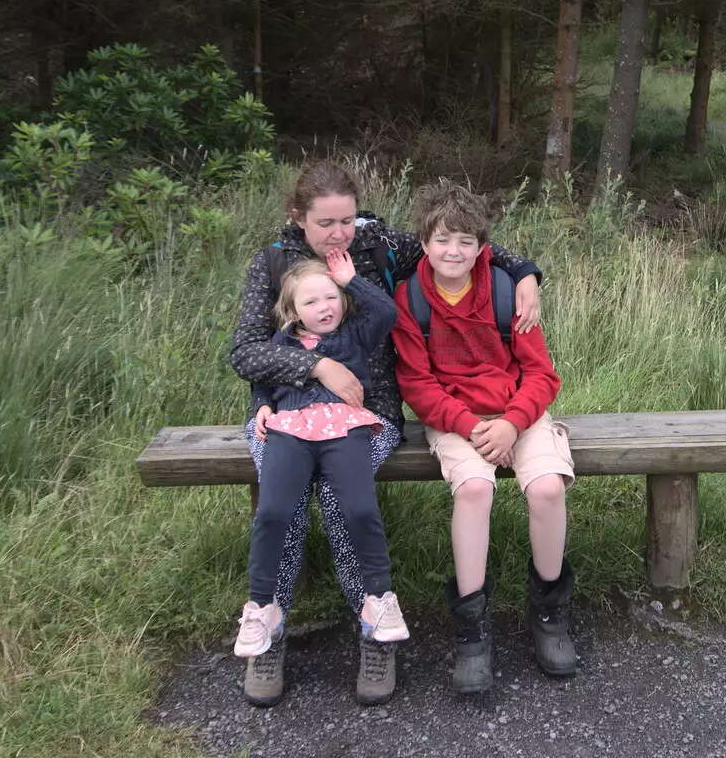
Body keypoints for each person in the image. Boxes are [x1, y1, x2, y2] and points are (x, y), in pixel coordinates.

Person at [228, 159, 542, 707]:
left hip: (370, 412)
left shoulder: (377, 244)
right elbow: (246, 351)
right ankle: (267, 633)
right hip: (285, 411)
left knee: (338, 492)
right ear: (298, 218)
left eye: (346, 220)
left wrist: (528, 274)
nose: (339, 234)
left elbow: (464, 244)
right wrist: (315, 368)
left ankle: (376, 630)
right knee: (286, 500)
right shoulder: (273, 264)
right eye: (326, 224)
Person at [390, 182, 577, 694]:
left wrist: (514, 422)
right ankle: (471, 630)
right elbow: (416, 384)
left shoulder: (504, 290)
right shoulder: (409, 300)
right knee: (474, 490)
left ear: (481, 246)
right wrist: (472, 426)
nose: (455, 252)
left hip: (518, 411)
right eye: (444, 240)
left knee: (546, 488)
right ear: (424, 243)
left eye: (466, 242)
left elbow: (542, 374)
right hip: (455, 419)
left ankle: (549, 614)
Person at [236, 250, 409, 701]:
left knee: (355, 507)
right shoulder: (280, 343)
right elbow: (261, 377)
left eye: (331, 298)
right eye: (311, 303)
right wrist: (261, 406)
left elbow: (385, 311)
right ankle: (262, 609)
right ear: (293, 312)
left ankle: (378, 604)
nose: (325, 308)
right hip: (291, 430)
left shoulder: (353, 333)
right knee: (274, 510)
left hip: (343, 428)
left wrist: (351, 281)